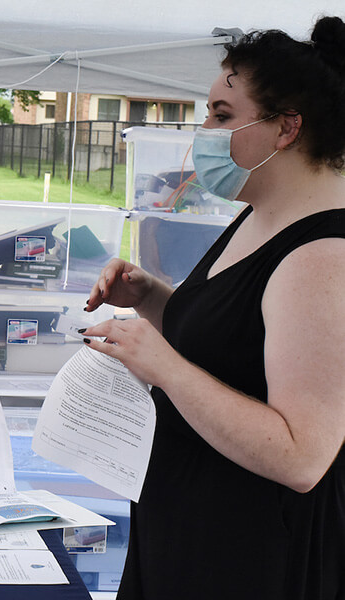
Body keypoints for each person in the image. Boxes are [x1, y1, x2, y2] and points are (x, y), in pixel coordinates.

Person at [82, 17, 345, 600]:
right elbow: (239, 345)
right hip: (189, 528)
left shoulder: (323, 258)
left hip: (251, 557)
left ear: (286, 127)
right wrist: (151, 298)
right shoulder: (259, 216)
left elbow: (304, 455)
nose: (204, 132)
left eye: (222, 116)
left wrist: (165, 368)